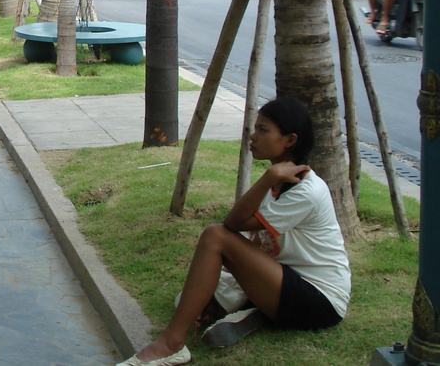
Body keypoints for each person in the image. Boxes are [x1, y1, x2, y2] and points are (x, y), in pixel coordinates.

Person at [118, 98, 350, 366]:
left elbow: (232, 225)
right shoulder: (280, 182)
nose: (253, 136)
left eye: (263, 130)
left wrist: (267, 178)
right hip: (286, 278)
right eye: (256, 128)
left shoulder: (306, 192)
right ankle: (255, 312)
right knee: (188, 299)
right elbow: (251, 238)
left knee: (215, 237)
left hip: (319, 301)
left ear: (289, 140)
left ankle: (171, 344)